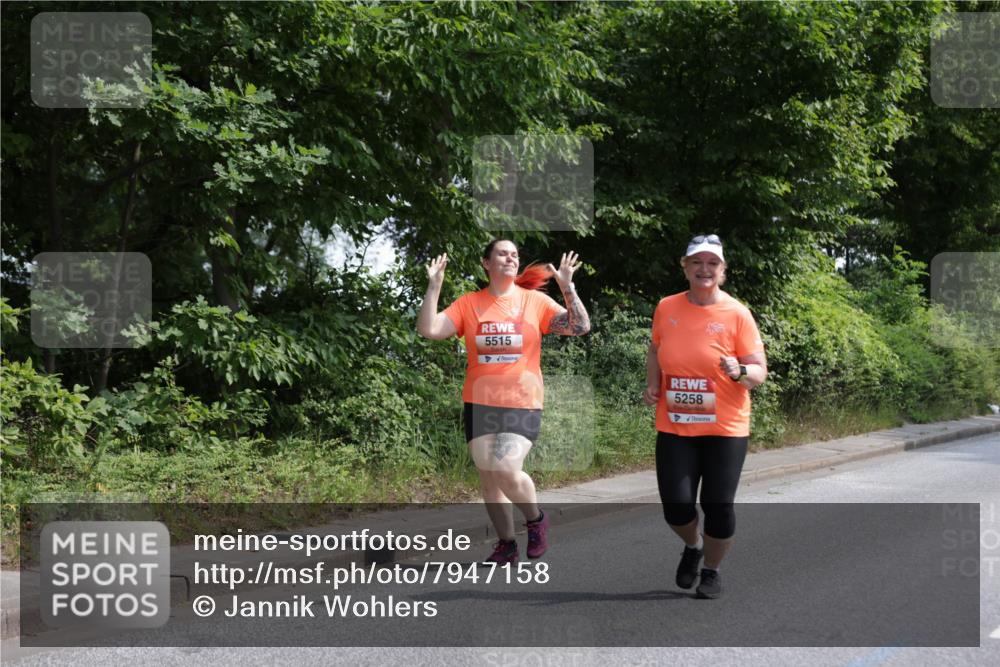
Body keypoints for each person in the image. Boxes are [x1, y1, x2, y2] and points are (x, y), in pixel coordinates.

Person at [417, 239, 591, 563]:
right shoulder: (470, 303)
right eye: (502, 253)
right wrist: (434, 286)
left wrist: (568, 287)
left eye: (514, 254)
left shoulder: (534, 301)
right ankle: (506, 543)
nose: (510, 258)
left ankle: (536, 519)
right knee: (489, 478)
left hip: (522, 401)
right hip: (479, 402)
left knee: (506, 468)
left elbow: (580, 326)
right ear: (486, 263)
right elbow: (429, 328)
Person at [643, 233, 767, 599]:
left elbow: (759, 371)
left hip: (725, 428)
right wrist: (653, 384)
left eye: (713, 263)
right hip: (675, 425)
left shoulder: (737, 313)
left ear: (722, 271)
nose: (704, 269)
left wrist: (740, 371)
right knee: (676, 507)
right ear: (685, 267)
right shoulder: (666, 307)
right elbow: (655, 349)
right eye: (697, 262)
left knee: (719, 506)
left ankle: (711, 571)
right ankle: (693, 546)